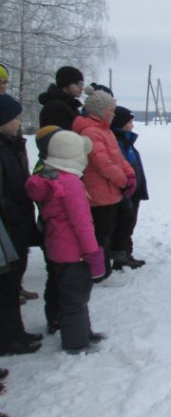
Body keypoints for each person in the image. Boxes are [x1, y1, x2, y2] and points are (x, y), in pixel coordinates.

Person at [25, 128, 106, 353]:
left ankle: (79, 331)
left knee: (67, 292)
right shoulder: (70, 183)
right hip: (74, 252)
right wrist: (92, 252)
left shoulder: (51, 177)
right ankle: (77, 343)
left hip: (57, 247)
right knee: (76, 298)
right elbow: (81, 223)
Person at [72, 87, 136, 282]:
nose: (113, 114)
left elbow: (117, 157)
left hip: (110, 191)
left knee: (108, 230)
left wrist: (130, 174)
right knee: (101, 234)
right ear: (99, 111)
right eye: (111, 110)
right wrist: (124, 181)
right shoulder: (91, 132)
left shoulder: (104, 131)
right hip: (98, 193)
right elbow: (103, 164)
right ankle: (98, 271)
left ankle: (103, 267)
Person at [0, 95, 42, 356]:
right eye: (15, 118)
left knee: (12, 283)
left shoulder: (11, 145)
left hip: (17, 225)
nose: (18, 122)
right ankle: (9, 339)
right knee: (6, 286)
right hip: (6, 229)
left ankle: (15, 333)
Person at [0, 64, 37, 304]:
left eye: (4, 81)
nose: (3, 85)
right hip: (7, 210)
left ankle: (15, 289)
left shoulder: (8, 112)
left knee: (17, 255)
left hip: (16, 203)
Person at [110, 106, 148, 271]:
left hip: (134, 191)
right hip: (126, 192)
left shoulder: (126, 140)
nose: (132, 125)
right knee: (122, 225)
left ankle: (126, 253)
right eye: (129, 122)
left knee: (129, 224)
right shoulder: (118, 142)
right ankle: (120, 257)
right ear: (120, 123)